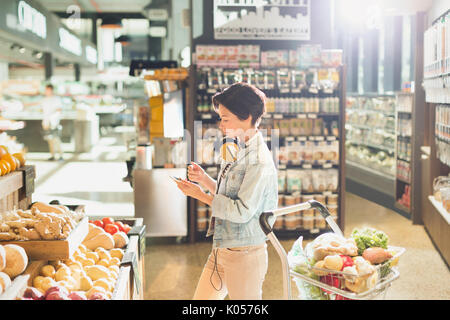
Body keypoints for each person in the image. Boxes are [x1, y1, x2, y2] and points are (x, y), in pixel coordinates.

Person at [175, 82, 278, 300]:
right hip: (222, 248)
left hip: (245, 255)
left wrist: (200, 196)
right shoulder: (237, 145)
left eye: (225, 118)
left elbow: (241, 211)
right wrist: (204, 180)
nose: (221, 125)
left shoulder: (258, 160)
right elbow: (228, 194)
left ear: (247, 116)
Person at [41, 84, 63, 161]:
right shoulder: (44, 99)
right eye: (46, 90)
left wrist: (52, 118)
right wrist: (45, 121)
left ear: (51, 90)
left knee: (56, 139)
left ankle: (61, 156)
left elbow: (59, 110)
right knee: (49, 139)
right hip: (46, 122)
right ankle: (52, 155)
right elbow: (44, 111)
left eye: (48, 90)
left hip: (54, 122)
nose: (46, 91)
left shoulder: (56, 99)